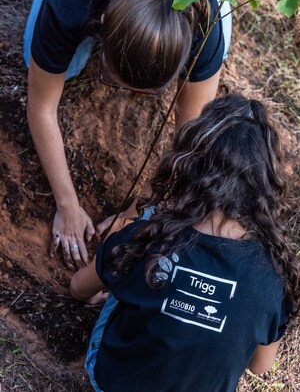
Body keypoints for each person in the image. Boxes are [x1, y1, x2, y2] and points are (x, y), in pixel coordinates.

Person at [70, 94, 300, 392]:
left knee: (134, 254)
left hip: (112, 384)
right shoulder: (274, 273)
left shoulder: (148, 236)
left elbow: (78, 287)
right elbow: (260, 365)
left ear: (191, 163)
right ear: (265, 184)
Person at [24, 0, 232, 269]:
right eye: (114, 80)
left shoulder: (203, 17)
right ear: (103, 21)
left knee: (214, 61)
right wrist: (66, 205)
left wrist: (135, 214)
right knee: (46, 60)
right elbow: (40, 106)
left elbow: (189, 139)